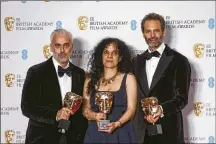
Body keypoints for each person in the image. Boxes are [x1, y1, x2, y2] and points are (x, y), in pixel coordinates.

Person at [132, 13, 191, 144]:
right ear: (143, 33)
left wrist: (161, 110)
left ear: (164, 31)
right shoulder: (135, 62)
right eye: (148, 31)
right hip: (141, 133)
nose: (152, 35)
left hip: (169, 131)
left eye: (156, 31)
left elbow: (182, 98)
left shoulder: (179, 60)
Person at [21, 28, 88, 144]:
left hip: (73, 139)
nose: (62, 50)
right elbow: (27, 107)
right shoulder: (36, 72)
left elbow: (83, 108)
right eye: (58, 45)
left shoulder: (80, 73)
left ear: (71, 47)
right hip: (42, 138)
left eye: (66, 45)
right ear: (51, 47)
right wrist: (56, 114)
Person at [82, 37, 137, 143]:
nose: (109, 56)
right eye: (106, 52)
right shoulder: (89, 79)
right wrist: (95, 116)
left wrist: (117, 123)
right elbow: (85, 108)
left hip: (121, 133)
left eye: (114, 53)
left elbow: (131, 109)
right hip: (95, 134)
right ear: (101, 55)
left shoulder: (128, 78)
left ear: (120, 57)